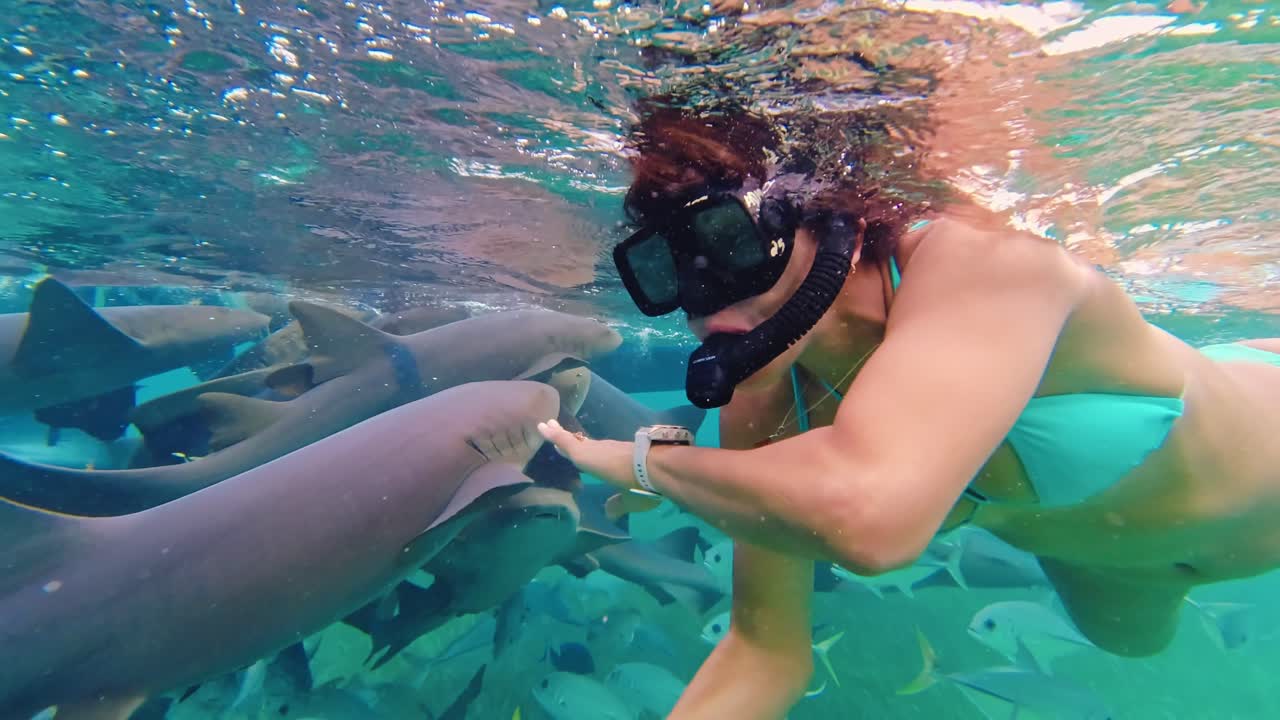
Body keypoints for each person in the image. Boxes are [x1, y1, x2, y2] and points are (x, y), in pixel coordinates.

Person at [536, 105, 1280, 719]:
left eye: (725, 243)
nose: (704, 304)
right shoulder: (769, 391)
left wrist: (644, 464)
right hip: (1119, 583)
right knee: (1130, 650)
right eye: (665, 273)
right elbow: (766, 652)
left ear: (820, 213)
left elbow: (869, 518)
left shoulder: (985, 262)